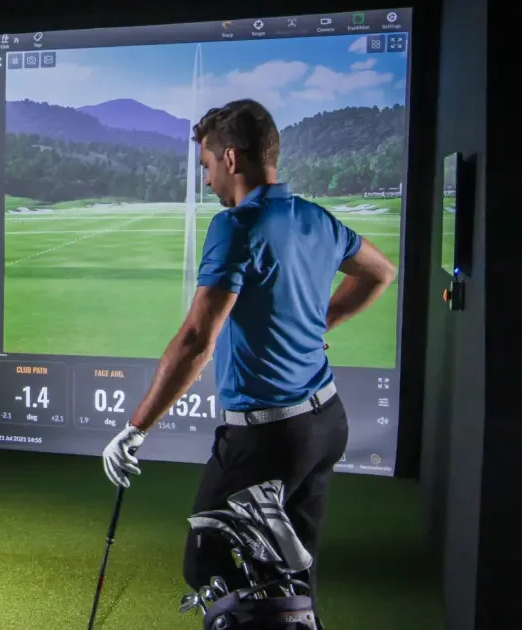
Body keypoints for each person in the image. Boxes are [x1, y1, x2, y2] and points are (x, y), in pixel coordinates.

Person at [101, 99, 396, 626]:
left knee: (208, 562)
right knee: (290, 570)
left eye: (207, 167)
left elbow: (196, 339)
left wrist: (136, 427)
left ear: (231, 159)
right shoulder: (314, 217)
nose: (208, 180)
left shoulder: (236, 226)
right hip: (326, 422)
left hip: (268, 439)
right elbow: (380, 272)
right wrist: (316, 325)